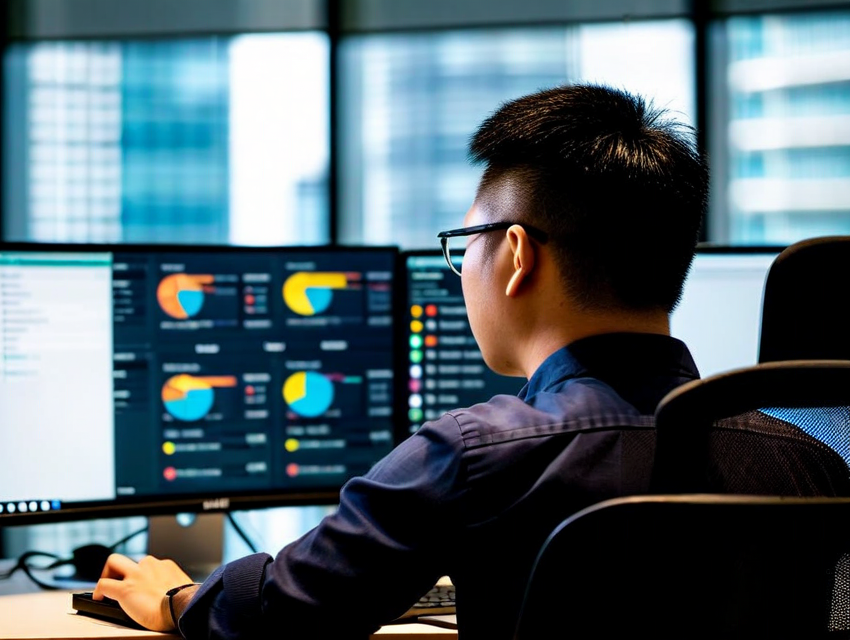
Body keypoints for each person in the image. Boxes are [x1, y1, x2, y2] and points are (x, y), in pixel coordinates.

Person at [92, 83, 708, 639]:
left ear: (517, 255)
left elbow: (281, 614)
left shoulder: (475, 454)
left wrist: (175, 598)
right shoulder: (772, 449)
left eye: (467, 243)